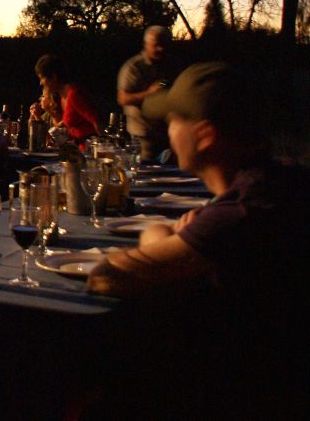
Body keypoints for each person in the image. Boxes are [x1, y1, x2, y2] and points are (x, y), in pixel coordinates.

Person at [86, 62, 308, 418]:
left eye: (173, 120)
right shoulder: (278, 181)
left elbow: (105, 277)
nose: (166, 130)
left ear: (204, 135)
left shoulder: (243, 212)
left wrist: (161, 234)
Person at [116, 25, 174, 160]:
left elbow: (166, 86)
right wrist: (149, 93)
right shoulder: (134, 67)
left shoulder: (170, 64)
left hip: (167, 134)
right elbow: (122, 98)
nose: (161, 49)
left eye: (164, 45)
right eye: (156, 45)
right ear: (146, 44)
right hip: (143, 136)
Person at [34, 53, 101, 145]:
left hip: (87, 149)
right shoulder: (63, 96)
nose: (40, 83)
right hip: (78, 149)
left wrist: (104, 147)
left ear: (53, 77)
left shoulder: (74, 94)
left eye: (42, 78)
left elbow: (97, 121)